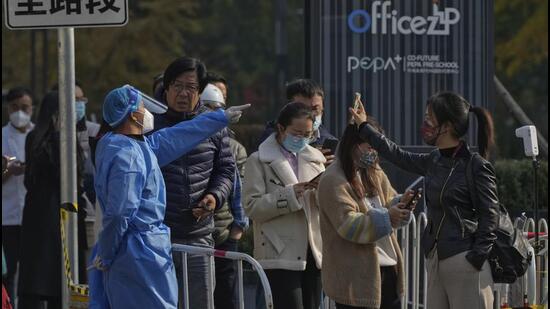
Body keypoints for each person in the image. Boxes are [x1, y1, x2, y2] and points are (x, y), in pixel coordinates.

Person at [89, 84, 249, 308]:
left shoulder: (128, 146)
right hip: (137, 253)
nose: (147, 112)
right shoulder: (129, 158)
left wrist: (218, 118)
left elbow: (174, 137)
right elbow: (119, 213)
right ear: (133, 115)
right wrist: (106, 253)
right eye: (143, 107)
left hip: (132, 249)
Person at [350, 92, 499, 308]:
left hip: (465, 260)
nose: (425, 122)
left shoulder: (476, 166)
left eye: (430, 117)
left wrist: (475, 259)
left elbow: (490, 217)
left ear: (446, 126)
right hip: (436, 258)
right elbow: (397, 155)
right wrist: (364, 127)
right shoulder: (435, 159)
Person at [152, 58, 236, 309]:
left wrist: (214, 196)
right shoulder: (148, 125)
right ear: (166, 88)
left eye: (191, 87)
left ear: (200, 92)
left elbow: (226, 169)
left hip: (198, 235)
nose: (183, 93)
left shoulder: (213, 126)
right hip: (157, 237)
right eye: (177, 86)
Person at [318, 121, 416, 309]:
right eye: (370, 146)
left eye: (377, 148)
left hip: (388, 269)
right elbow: (348, 225)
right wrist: (389, 217)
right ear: (353, 144)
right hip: (355, 279)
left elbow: (388, 201)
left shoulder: (374, 172)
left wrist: (401, 204)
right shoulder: (332, 179)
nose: (374, 153)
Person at [243, 101, 325, 309]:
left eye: (307, 134)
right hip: (279, 250)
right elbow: (251, 207)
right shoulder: (258, 160)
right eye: (297, 133)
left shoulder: (316, 158)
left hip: (313, 249)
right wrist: (289, 195)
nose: (302, 139)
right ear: (281, 128)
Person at [17, 91, 85, 309]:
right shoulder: (36, 139)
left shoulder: (71, 136)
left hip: (66, 215)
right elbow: (47, 174)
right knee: (37, 282)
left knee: (62, 281)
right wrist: (57, 136)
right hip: (43, 217)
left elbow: (76, 175)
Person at [200, 81, 250, 309]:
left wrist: (237, 231)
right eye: (207, 106)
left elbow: (240, 190)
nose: (212, 112)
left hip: (224, 233)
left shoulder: (235, 147)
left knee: (227, 295)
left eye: (216, 107)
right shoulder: (187, 140)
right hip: (195, 233)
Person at [2, 87, 34, 307]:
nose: (19, 113)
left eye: (24, 108)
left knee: (33, 270)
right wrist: (7, 171)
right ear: (7, 109)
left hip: (33, 214)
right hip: (7, 216)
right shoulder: (2, 136)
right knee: (9, 271)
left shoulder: (39, 133)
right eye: (15, 108)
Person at [257, 79, 337, 164]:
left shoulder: (329, 141)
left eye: (315, 109)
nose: (310, 115)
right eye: (303, 109)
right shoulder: (269, 140)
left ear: (322, 109)